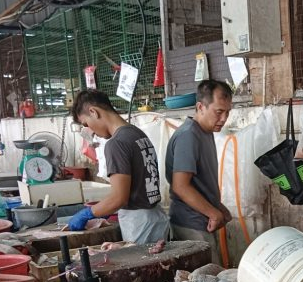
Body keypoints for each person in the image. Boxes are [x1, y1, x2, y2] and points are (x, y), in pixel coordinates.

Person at [68, 90, 168, 244]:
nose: (91, 132)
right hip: (155, 217)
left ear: (93, 112)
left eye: (86, 124)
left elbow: (119, 199)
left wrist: (88, 213)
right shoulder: (137, 134)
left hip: (139, 224)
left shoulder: (116, 143)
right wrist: (104, 209)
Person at [165, 79, 234, 265]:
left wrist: (217, 207)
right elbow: (181, 186)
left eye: (227, 112)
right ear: (200, 107)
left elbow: (200, 181)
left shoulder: (205, 132)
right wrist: (213, 213)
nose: (224, 118)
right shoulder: (189, 135)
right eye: (219, 112)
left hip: (201, 221)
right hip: (191, 223)